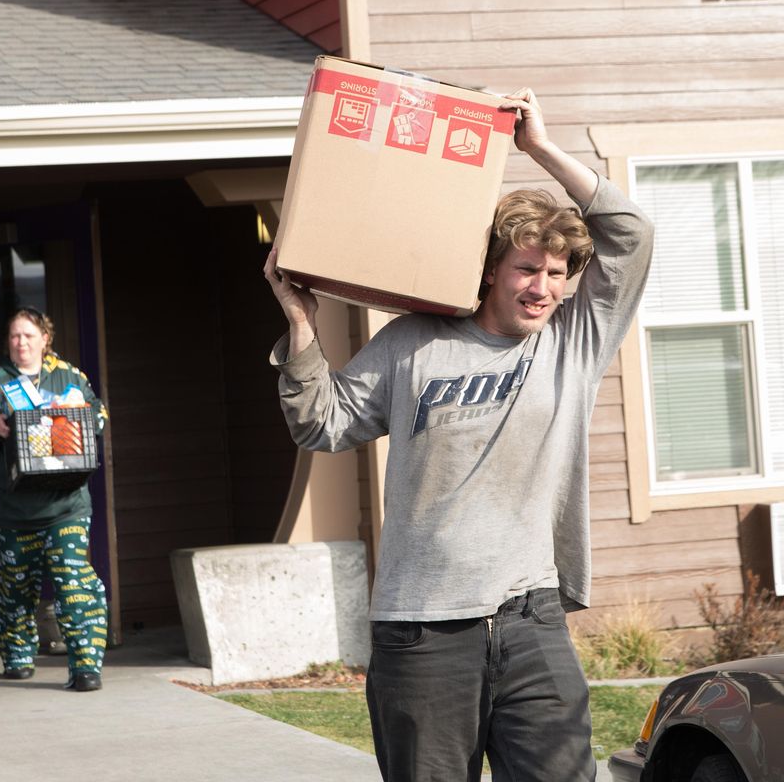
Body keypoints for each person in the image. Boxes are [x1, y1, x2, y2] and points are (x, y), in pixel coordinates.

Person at [264, 88, 654, 781]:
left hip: (530, 618)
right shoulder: (413, 344)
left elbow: (632, 233)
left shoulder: (572, 343)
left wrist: (537, 147)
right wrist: (301, 326)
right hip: (421, 630)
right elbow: (320, 423)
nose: (543, 288)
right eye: (528, 269)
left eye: (558, 275)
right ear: (492, 271)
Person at [0, 306, 109, 692]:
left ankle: (87, 667)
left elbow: (100, 417)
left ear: (45, 339)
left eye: (28, 335)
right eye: (14, 336)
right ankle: (19, 657)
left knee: (74, 583)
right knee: (16, 589)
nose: (20, 343)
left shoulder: (70, 377)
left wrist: (75, 415)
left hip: (66, 505)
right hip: (12, 510)